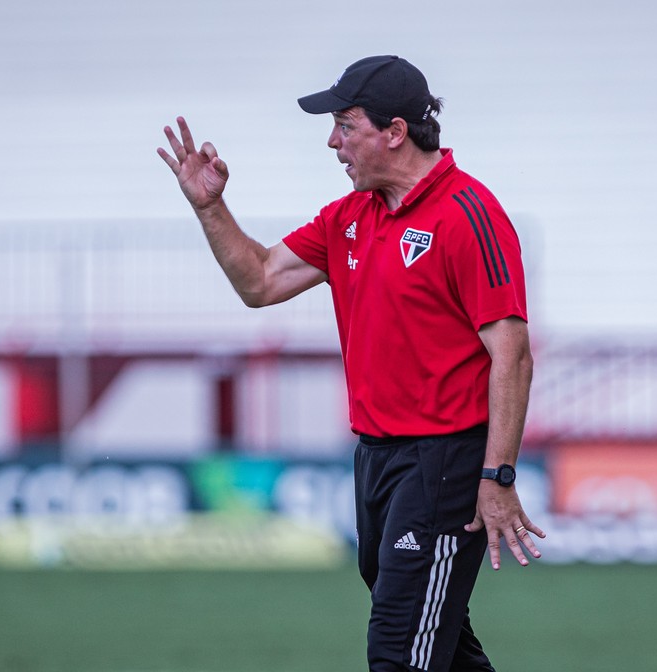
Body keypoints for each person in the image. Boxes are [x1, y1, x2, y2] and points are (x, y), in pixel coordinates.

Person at [158, 54, 544, 672]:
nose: (332, 141)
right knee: (439, 645)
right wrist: (210, 208)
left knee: (400, 650)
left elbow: (513, 355)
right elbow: (259, 281)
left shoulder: (469, 215)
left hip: (443, 463)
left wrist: (496, 478)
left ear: (394, 132)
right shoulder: (349, 219)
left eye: (346, 125)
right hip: (377, 461)